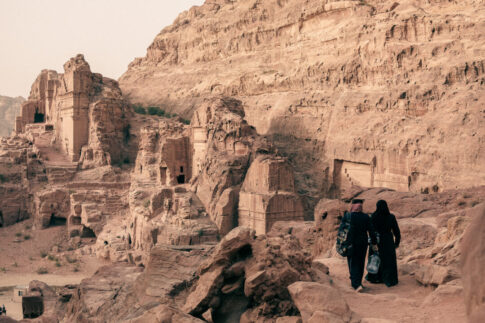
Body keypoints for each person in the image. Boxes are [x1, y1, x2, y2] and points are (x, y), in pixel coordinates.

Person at [366, 200, 401, 287]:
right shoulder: (391, 217)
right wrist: (396, 242)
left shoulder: (373, 216)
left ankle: (375, 278)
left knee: (376, 258)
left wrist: (372, 242)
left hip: (377, 240)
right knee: (388, 260)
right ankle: (389, 279)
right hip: (388, 241)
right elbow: (396, 231)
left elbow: (371, 231)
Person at [346, 199, 378, 292]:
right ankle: (358, 282)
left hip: (351, 243)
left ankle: (355, 284)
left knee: (352, 262)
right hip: (363, 243)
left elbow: (342, 230)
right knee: (360, 262)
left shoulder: (348, 216)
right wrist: (374, 242)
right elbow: (371, 231)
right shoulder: (365, 217)